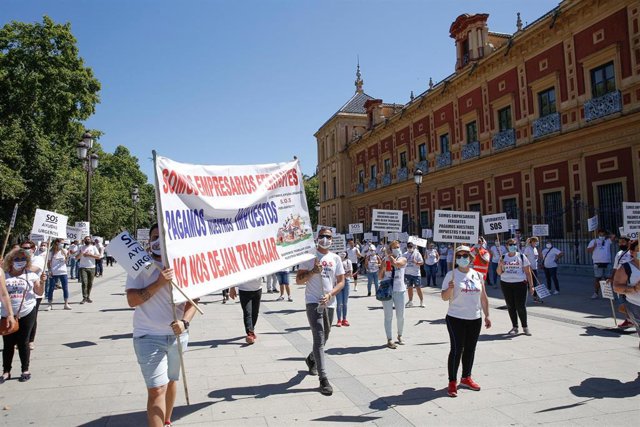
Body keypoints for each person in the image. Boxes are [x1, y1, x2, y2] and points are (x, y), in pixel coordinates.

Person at [126, 224, 198, 427]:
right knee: (157, 388)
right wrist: (159, 283)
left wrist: (185, 322)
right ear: (149, 241)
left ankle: (166, 420)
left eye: (163, 237)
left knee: (171, 380)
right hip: (148, 337)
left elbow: (194, 301)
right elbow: (132, 301)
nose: (158, 241)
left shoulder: (184, 265)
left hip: (177, 336)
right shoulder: (139, 266)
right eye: (155, 237)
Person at [296, 227, 345, 396]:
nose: (326, 239)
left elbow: (341, 282)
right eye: (323, 236)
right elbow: (298, 280)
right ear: (317, 238)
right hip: (313, 303)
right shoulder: (309, 257)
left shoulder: (335, 258)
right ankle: (323, 379)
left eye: (329, 237)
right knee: (319, 337)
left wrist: (330, 294)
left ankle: (311, 358)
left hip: (329, 303)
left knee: (326, 337)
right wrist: (312, 272)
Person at [441, 245, 491, 398]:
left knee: (470, 348)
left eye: (465, 256)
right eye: (459, 255)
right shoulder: (451, 274)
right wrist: (449, 288)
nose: (463, 258)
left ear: (470, 258)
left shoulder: (477, 274)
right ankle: (452, 381)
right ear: (456, 258)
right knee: (457, 349)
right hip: (455, 317)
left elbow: (483, 297)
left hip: (474, 318)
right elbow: (444, 297)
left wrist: (487, 315)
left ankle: (466, 377)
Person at [1, 248, 43, 383]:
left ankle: (25, 369)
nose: (20, 262)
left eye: (23, 259)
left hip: (26, 311)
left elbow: (38, 291)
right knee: (8, 344)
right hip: (7, 313)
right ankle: (6, 371)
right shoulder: (4, 275)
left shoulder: (31, 275)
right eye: (17, 259)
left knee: (23, 342)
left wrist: (42, 282)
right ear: (10, 261)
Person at [497, 238, 534, 336]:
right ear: (507, 246)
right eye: (510, 244)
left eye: (514, 244)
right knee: (511, 306)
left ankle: (525, 327)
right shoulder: (503, 257)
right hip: (506, 283)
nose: (512, 246)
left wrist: (531, 286)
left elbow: (528, 272)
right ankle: (515, 326)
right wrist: (500, 265)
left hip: (520, 284)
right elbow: (499, 273)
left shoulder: (521, 256)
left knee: (520, 306)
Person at [379, 240, 407, 349]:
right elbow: (380, 277)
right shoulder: (384, 260)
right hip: (387, 290)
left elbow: (397, 264)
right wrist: (383, 267)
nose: (397, 248)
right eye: (394, 247)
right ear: (390, 248)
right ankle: (389, 339)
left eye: (398, 247)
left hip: (399, 290)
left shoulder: (403, 258)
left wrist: (389, 256)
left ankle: (400, 335)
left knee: (400, 316)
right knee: (388, 316)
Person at [612, 239, 640, 347]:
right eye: (639, 250)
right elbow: (616, 287)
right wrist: (634, 288)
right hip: (636, 306)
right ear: (632, 253)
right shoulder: (626, 267)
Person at [229, 278, 262, 344]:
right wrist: (232, 288)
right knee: (247, 312)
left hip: (257, 289)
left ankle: (251, 329)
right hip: (244, 290)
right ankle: (250, 334)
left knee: (255, 313)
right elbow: (234, 274)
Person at [612, 236, 633, 328]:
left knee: (631, 301)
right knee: (622, 302)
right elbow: (615, 267)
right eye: (619, 242)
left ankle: (631, 320)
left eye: (623, 242)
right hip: (621, 282)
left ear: (629, 242)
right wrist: (612, 278)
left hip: (631, 282)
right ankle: (629, 320)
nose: (620, 244)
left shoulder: (634, 253)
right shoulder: (619, 253)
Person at [587, 229, 613, 299]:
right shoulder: (593, 241)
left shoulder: (607, 241)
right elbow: (588, 250)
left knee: (608, 279)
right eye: (600, 235)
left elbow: (613, 236)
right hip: (597, 263)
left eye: (603, 235)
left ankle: (608, 294)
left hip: (607, 262)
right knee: (597, 279)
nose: (602, 236)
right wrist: (594, 246)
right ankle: (596, 293)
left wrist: (608, 233)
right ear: (598, 235)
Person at [46, 239, 71, 310]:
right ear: (57, 243)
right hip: (54, 273)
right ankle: (49, 304)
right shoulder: (51, 252)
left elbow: (66, 262)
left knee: (65, 288)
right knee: (51, 288)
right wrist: (50, 270)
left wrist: (67, 256)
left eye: (63, 243)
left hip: (63, 272)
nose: (62, 245)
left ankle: (66, 304)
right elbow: (48, 262)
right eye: (61, 243)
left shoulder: (64, 251)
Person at [77, 236, 100, 304]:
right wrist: (81, 254)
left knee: (90, 283)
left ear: (90, 240)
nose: (87, 240)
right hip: (83, 267)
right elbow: (76, 257)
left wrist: (90, 255)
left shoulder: (93, 247)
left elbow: (98, 257)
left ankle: (88, 297)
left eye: (88, 239)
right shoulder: (81, 247)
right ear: (84, 240)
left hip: (92, 267)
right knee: (84, 283)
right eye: (86, 239)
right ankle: (84, 297)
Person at [404, 242, 424, 308]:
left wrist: (416, 262)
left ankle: (421, 301)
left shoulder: (417, 254)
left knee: (418, 288)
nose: (409, 248)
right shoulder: (405, 254)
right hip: (407, 274)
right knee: (409, 288)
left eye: (411, 247)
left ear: (413, 247)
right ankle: (410, 301)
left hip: (416, 274)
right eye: (408, 247)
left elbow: (422, 262)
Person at [523, 237, 542, 303]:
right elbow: (524, 257)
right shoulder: (528, 248)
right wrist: (528, 265)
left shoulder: (535, 248)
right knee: (530, 283)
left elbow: (536, 258)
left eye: (537, 241)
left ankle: (534, 297)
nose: (537, 243)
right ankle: (534, 297)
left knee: (534, 283)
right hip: (529, 268)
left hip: (535, 267)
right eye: (535, 241)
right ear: (532, 242)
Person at [336, 252, 351, 327]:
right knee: (339, 303)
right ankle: (339, 319)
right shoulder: (336, 260)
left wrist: (342, 277)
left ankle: (344, 319)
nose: (342, 253)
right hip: (338, 283)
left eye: (344, 252)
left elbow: (350, 273)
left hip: (346, 282)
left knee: (345, 303)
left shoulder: (348, 261)